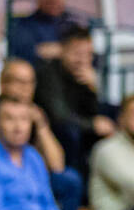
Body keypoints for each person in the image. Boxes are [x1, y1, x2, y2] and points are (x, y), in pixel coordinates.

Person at [0, 58, 83, 210]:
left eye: (30, 82)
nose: (25, 88)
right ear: (3, 84)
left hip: (29, 178)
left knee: (69, 180)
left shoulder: (36, 112)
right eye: (19, 82)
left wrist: (41, 126)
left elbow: (57, 166)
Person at [35, 23, 115, 179]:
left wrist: (93, 88)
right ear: (63, 51)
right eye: (77, 53)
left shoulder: (84, 75)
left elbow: (94, 112)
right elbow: (59, 115)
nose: (83, 60)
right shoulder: (48, 74)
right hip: (51, 129)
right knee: (72, 132)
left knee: (114, 115)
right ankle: (75, 181)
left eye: (88, 54)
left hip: (77, 125)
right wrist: (92, 125)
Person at [7, 0, 84, 63]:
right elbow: (18, 55)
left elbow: (88, 55)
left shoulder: (73, 25)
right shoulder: (23, 25)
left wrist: (61, 50)